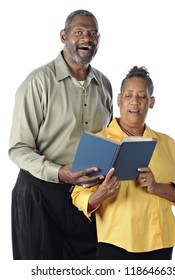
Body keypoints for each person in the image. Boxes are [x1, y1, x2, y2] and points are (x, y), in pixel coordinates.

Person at [8, 9, 113, 260]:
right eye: (79, 32)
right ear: (63, 36)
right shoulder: (37, 83)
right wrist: (59, 172)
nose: (87, 38)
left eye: (93, 33)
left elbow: (109, 138)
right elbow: (18, 149)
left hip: (86, 197)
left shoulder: (105, 85)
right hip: (40, 194)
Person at [72, 66, 175, 260]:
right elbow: (78, 194)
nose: (135, 102)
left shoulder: (166, 143)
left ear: (151, 102)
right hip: (116, 241)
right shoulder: (98, 142)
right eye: (129, 95)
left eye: (142, 96)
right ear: (119, 100)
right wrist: (99, 196)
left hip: (160, 241)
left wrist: (157, 187)